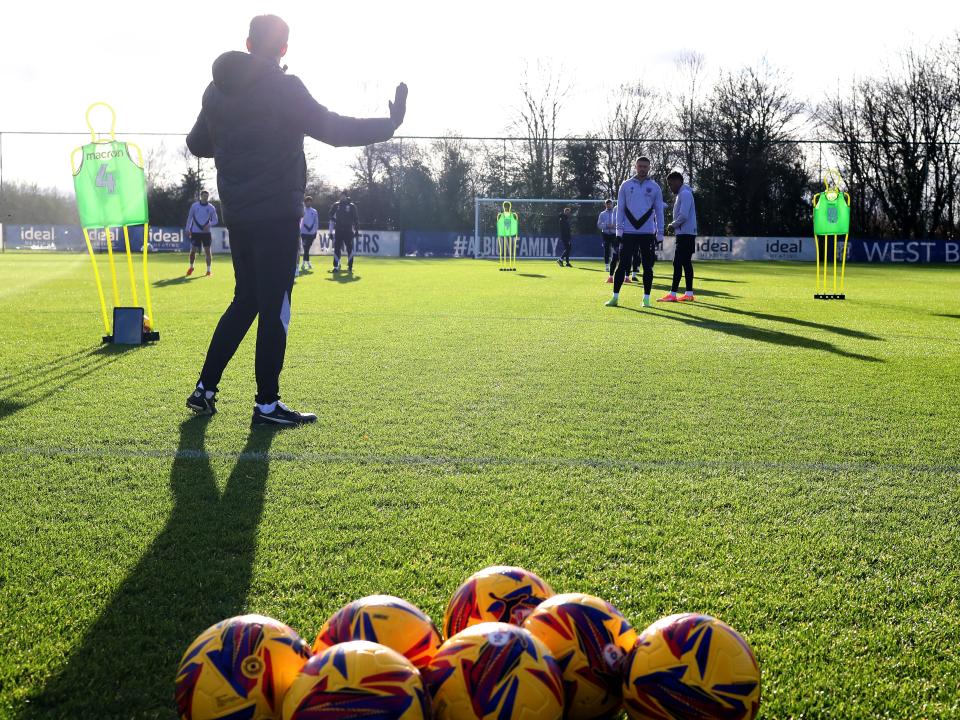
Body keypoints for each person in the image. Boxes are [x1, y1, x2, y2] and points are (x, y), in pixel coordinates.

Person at [184, 13, 407, 426]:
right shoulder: (284, 87)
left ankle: (205, 389)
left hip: (238, 214)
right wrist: (388, 125)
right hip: (276, 215)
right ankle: (267, 405)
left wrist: (235, 137)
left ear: (248, 43)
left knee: (246, 300)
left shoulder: (216, 90)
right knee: (275, 307)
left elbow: (197, 143)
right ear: (284, 48)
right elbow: (334, 129)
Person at [606, 156, 665, 308]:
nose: (642, 169)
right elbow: (620, 210)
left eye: (645, 166)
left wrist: (660, 233)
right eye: (640, 166)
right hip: (628, 233)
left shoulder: (655, 187)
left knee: (647, 266)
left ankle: (646, 299)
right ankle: (615, 297)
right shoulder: (625, 185)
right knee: (623, 264)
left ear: (649, 168)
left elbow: (659, 212)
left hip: (647, 234)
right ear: (635, 166)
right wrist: (619, 232)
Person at [660, 171, 698, 302]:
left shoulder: (684, 194)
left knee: (677, 263)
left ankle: (673, 294)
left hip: (685, 234)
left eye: (671, 184)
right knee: (686, 263)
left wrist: (673, 225)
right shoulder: (684, 193)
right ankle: (689, 293)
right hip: (686, 233)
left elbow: (683, 215)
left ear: (678, 181)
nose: (670, 187)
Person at [185, 190, 219, 276]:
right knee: (193, 250)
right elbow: (190, 218)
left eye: (207, 196)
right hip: (195, 232)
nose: (205, 197)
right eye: (204, 196)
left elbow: (215, 220)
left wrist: (209, 225)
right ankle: (191, 267)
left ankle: (208, 270)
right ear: (201, 196)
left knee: (207, 251)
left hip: (206, 233)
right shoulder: (194, 206)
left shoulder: (211, 207)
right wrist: (187, 229)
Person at [329, 190, 360, 273]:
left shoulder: (351, 206)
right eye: (341, 195)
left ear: (346, 196)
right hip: (338, 230)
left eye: (343, 195)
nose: (342, 197)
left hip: (348, 230)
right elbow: (330, 214)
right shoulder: (336, 205)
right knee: (337, 248)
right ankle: (335, 266)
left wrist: (356, 230)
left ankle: (350, 266)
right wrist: (334, 220)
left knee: (349, 248)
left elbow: (356, 219)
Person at [299, 195, 319, 272]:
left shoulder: (314, 211)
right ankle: (305, 263)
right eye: (307, 201)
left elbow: (316, 222)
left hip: (311, 233)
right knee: (306, 248)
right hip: (303, 232)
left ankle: (306, 262)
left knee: (307, 248)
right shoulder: (302, 210)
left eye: (310, 201)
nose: (309, 203)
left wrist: (315, 231)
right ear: (305, 202)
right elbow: (300, 221)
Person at [598, 199, 616, 278]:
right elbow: (599, 224)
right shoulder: (602, 214)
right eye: (607, 204)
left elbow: (620, 223)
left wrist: (614, 226)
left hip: (614, 234)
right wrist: (606, 226)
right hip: (605, 234)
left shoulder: (616, 213)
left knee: (615, 250)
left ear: (612, 204)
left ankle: (614, 265)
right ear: (605, 205)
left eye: (610, 204)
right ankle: (607, 266)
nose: (609, 205)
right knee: (606, 250)